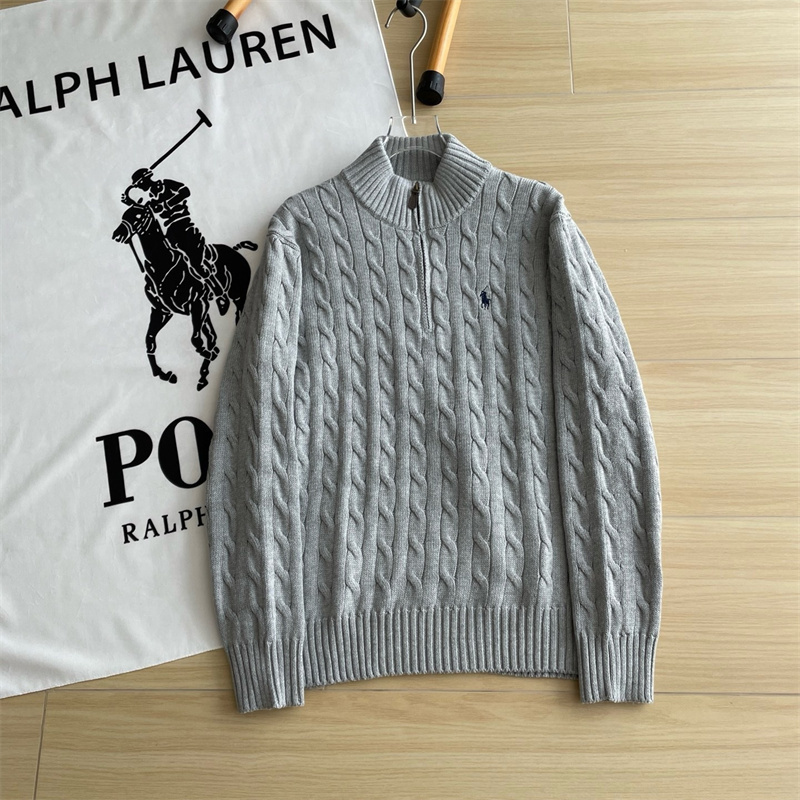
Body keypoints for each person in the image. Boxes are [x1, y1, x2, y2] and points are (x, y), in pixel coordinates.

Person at [122, 168, 229, 314]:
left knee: (195, 262)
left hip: (185, 226)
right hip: (170, 233)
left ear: (146, 180)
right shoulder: (151, 199)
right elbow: (143, 211)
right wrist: (130, 202)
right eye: (138, 186)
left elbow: (185, 191)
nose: (140, 188)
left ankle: (219, 293)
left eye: (140, 184)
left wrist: (166, 204)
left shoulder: (166, 184)